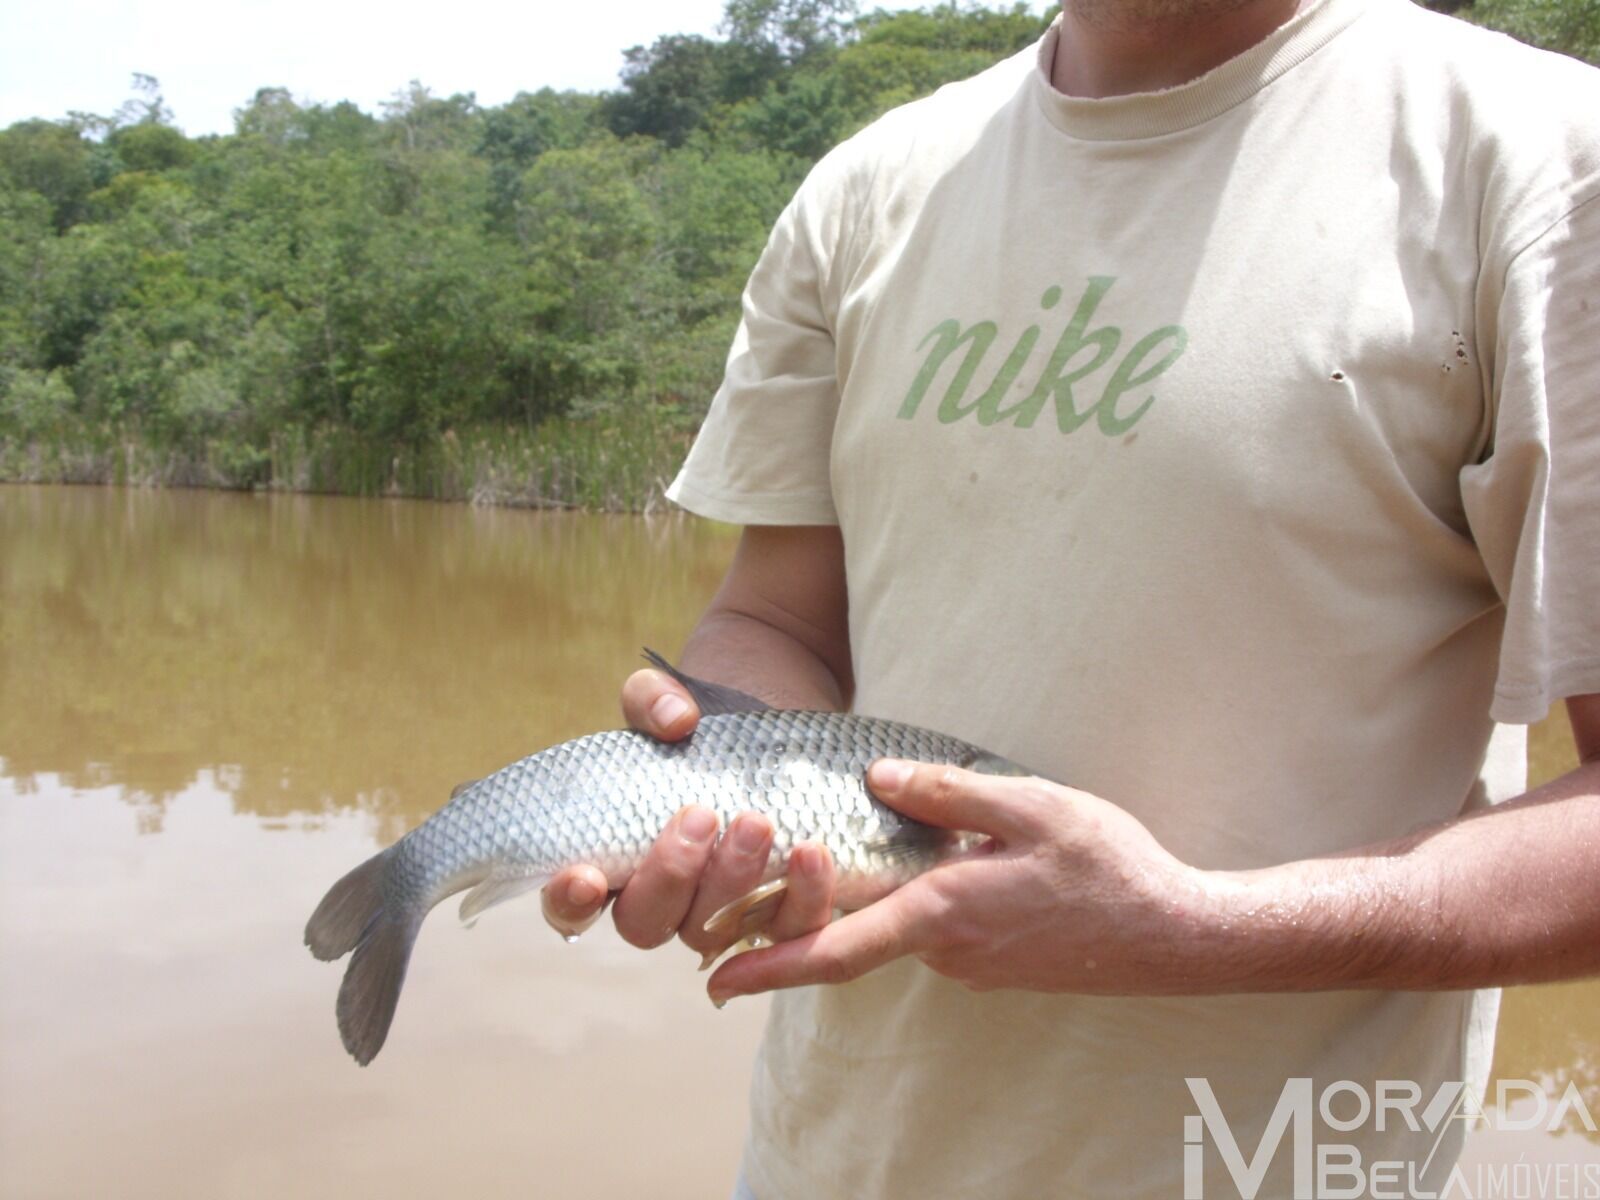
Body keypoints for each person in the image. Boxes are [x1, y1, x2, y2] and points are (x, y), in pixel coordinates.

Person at [546, 0, 1600, 1193]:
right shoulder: (867, 189)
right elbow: (779, 620)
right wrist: (730, 801)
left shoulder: (1539, 165)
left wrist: (1197, 933)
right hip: (829, 1157)